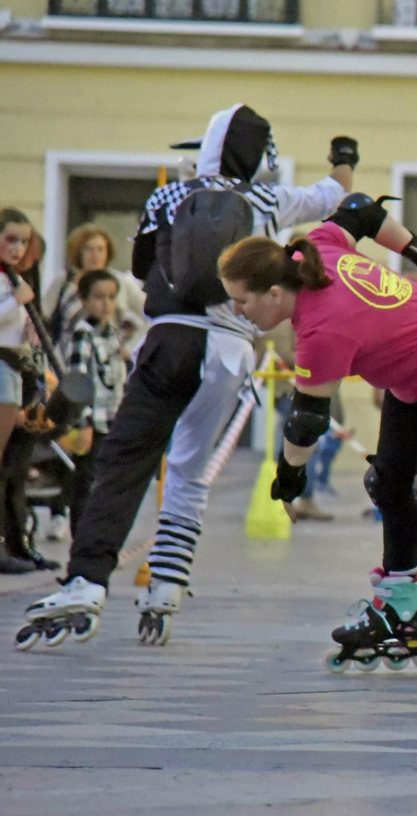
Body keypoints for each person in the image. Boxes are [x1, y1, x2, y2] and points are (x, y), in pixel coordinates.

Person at [18, 105, 356, 649]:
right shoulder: (269, 200)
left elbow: (139, 268)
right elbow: (335, 195)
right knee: (191, 471)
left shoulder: (168, 196)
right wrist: (344, 159)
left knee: (125, 460)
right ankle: (168, 587)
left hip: (170, 338)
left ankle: (87, 579)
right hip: (230, 350)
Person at [219, 194, 417, 686]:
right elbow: (358, 209)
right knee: (389, 482)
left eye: (241, 300)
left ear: (271, 294)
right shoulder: (313, 248)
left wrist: (289, 475)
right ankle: (399, 607)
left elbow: (306, 422)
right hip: (414, 373)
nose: (236, 309)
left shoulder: (320, 331)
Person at [57, 269, 128, 543]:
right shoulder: (82, 335)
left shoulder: (111, 333)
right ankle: (83, 541)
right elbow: (77, 382)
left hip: (111, 420)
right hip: (92, 422)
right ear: (84, 300)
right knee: (85, 484)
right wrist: (83, 421)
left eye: (111, 297)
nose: (106, 304)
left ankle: (102, 540)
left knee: (106, 485)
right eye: (98, 297)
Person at [0, 209, 49, 574]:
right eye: (11, 239)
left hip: (15, 368)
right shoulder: (8, 285)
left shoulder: (11, 278)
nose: (17, 249)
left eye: (23, 242)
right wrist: (15, 300)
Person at [43, 224, 147, 353]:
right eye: (89, 249)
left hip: (107, 357)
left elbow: (149, 313)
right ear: (78, 252)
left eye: (100, 249)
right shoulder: (64, 281)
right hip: (67, 355)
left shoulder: (120, 282)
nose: (95, 255)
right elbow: (43, 314)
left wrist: (130, 347)